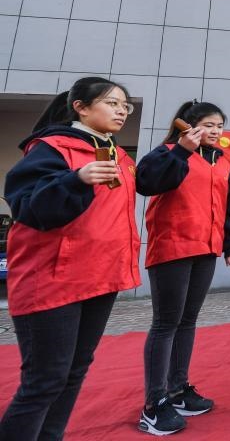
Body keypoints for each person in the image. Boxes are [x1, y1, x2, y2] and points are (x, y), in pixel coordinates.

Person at [0, 77, 140, 441]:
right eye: (112, 103)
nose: (121, 111)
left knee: (75, 370)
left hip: (101, 276)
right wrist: (75, 180)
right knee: (44, 380)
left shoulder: (119, 155)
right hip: (53, 279)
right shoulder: (51, 148)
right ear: (80, 107)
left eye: (125, 106)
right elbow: (28, 207)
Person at [135, 101, 230, 435]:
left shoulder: (222, 162)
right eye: (209, 125)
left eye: (219, 126)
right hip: (173, 246)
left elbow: (229, 207)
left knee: (187, 320)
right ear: (188, 125)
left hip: (206, 248)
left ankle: (178, 389)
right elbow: (146, 182)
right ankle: (154, 403)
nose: (215, 131)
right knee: (165, 323)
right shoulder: (169, 152)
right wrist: (183, 151)